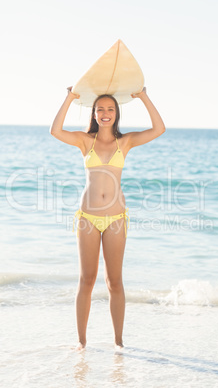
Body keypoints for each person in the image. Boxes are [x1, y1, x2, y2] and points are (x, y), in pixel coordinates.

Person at [50, 86, 165, 351]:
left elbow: (159, 129)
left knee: (114, 281)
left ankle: (119, 342)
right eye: (100, 109)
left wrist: (144, 96)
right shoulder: (85, 141)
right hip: (87, 218)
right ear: (93, 113)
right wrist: (69, 98)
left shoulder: (124, 143)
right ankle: (81, 342)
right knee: (86, 280)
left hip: (116, 219)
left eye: (110, 109)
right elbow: (55, 131)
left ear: (117, 113)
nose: (105, 113)